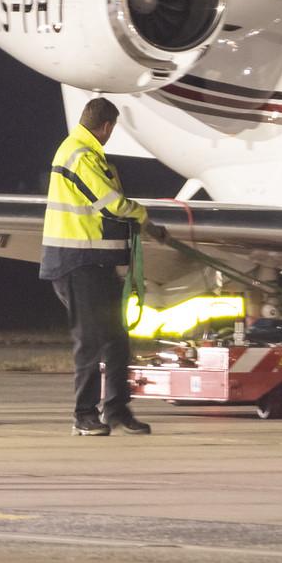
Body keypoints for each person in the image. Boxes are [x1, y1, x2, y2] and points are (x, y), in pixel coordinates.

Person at [42, 97, 170, 436]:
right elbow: (111, 206)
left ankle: (116, 409)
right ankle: (83, 415)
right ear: (107, 127)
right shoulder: (79, 155)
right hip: (76, 261)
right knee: (90, 339)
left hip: (95, 262)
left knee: (115, 337)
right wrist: (145, 219)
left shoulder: (90, 155)